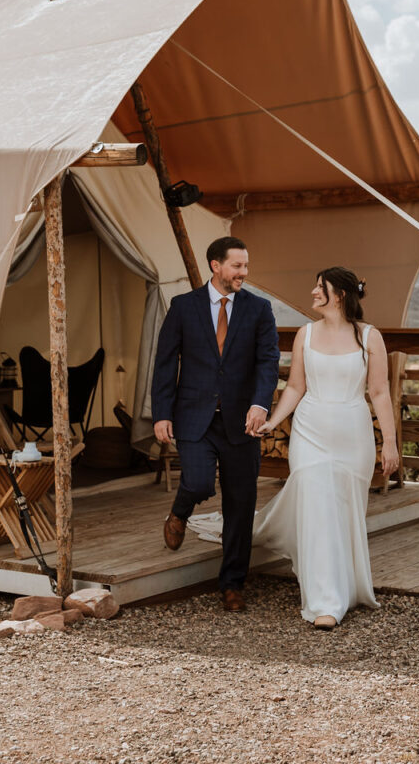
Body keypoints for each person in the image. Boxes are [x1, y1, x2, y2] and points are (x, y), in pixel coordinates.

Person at [250, 267, 400, 630]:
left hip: (353, 435)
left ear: (340, 295)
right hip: (310, 431)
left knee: (343, 513)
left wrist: (391, 443)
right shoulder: (305, 334)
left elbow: (379, 392)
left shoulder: (369, 337)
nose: (313, 292)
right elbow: (296, 387)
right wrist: (273, 420)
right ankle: (325, 602)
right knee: (318, 509)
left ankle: (345, 587)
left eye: (321, 287)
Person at [151, 236, 280, 612]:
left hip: (242, 422)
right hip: (194, 418)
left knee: (241, 504)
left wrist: (260, 404)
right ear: (215, 265)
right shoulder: (183, 307)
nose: (244, 272)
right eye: (237, 265)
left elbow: (267, 362)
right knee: (199, 482)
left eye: (246, 265)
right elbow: (165, 363)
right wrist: (162, 413)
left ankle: (232, 584)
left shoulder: (259, 309)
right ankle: (179, 511)